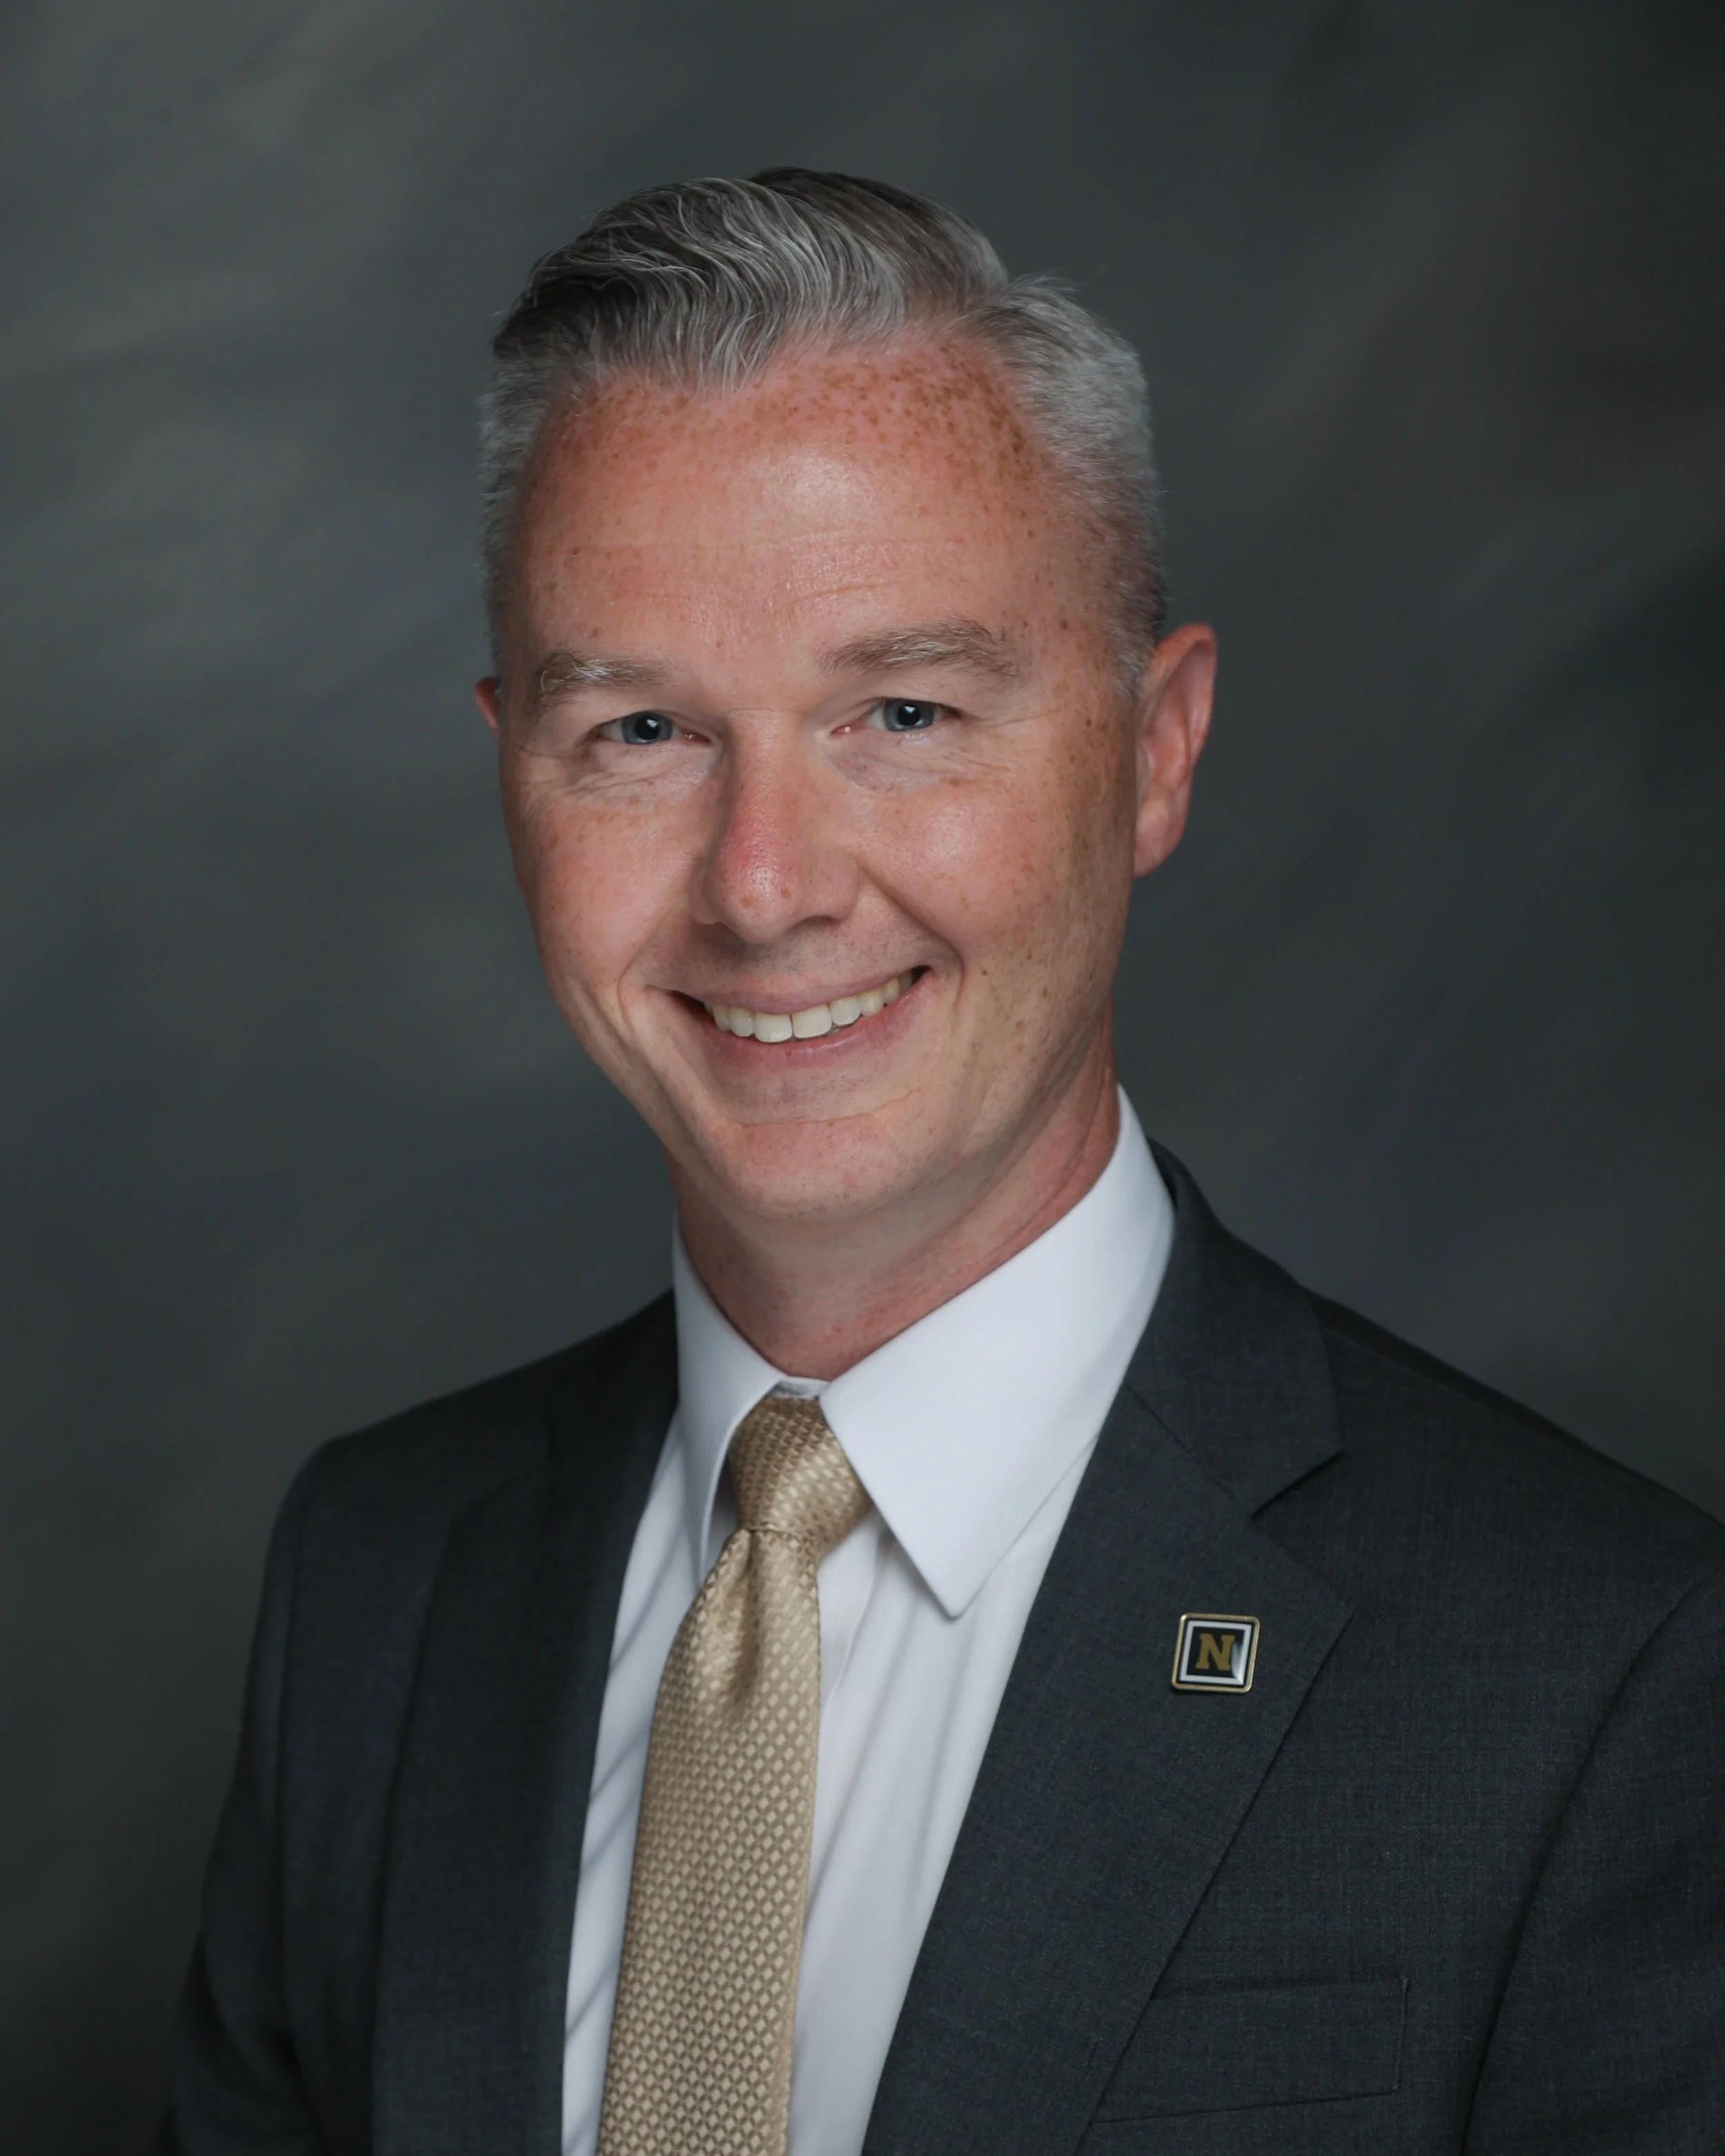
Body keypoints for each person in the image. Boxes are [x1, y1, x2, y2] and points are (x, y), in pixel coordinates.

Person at [155, 170, 1725, 2156]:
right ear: (508, 773)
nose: (764, 886)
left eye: (901, 710)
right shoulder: (379, 1580)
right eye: (640, 731)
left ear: (1155, 750)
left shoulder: (1604, 1674)